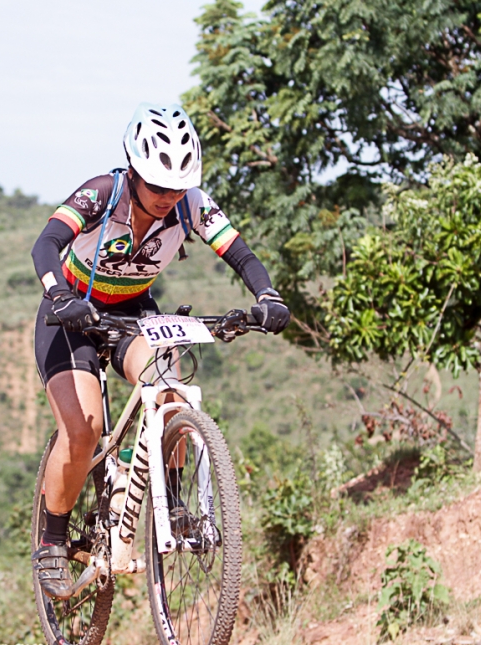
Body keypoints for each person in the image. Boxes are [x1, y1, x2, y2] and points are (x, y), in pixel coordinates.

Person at [30, 103, 290, 599]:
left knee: (171, 392)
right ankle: (52, 541)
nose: (169, 198)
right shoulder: (101, 194)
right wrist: (58, 294)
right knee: (83, 430)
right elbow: (46, 244)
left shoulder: (192, 205)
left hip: (133, 313)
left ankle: (172, 506)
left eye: (178, 187)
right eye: (158, 187)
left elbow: (240, 253)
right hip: (71, 316)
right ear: (133, 172)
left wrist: (267, 296)